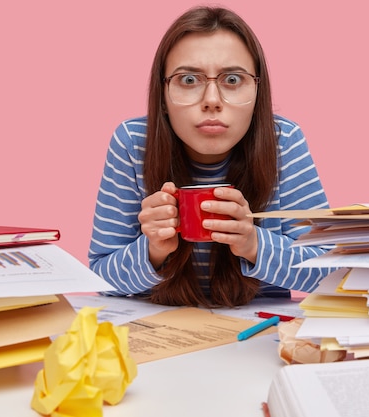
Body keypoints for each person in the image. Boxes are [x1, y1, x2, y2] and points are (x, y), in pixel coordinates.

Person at [88, 6, 331, 308]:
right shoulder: (134, 143)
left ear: (258, 93)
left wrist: (253, 243)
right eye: (189, 81)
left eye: (232, 80)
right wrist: (153, 251)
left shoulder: (283, 142)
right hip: (156, 331)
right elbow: (98, 278)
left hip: (257, 335)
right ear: (162, 96)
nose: (212, 101)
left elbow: (330, 274)